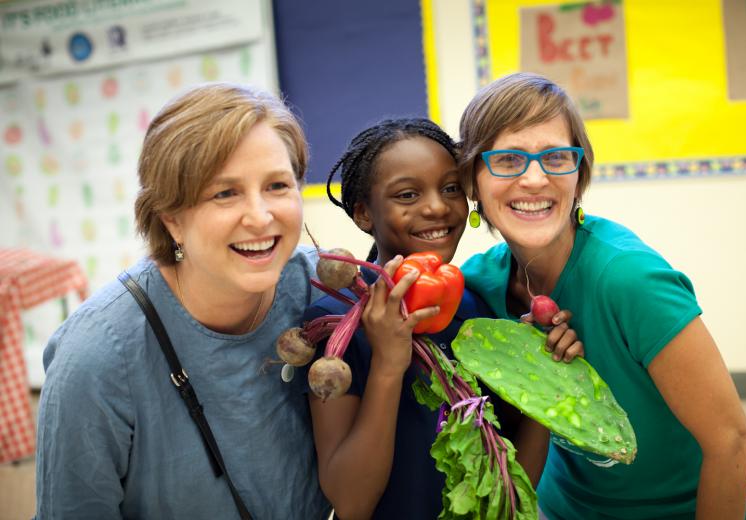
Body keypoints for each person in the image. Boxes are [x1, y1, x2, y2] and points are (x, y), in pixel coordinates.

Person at [456, 72, 746, 519]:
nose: (535, 179)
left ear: (578, 176)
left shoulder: (629, 280)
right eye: (507, 160)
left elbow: (732, 439)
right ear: (472, 180)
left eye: (557, 157)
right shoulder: (478, 287)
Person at [35, 84, 331, 519]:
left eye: (277, 185)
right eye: (224, 193)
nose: (261, 216)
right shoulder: (96, 358)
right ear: (171, 217)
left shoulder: (322, 291)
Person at [304, 118, 584, 520]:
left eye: (451, 188)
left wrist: (545, 378)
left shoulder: (480, 309)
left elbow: (513, 482)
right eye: (407, 194)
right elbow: (350, 503)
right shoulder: (333, 325)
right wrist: (387, 364)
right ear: (364, 213)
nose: (436, 206)